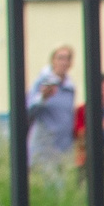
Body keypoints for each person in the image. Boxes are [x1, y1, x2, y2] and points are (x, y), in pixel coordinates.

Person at [27, 46, 76, 182]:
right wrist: (43, 97)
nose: (63, 62)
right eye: (60, 58)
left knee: (64, 183)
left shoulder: (70, 87)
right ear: (53, 61)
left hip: (64, 144)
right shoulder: (42, 82)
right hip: (45, 143)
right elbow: (29, 110)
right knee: (55, 184)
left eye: (67, 59)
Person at [74, 74, 104, 196]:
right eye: (101, 89)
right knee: (86, 171)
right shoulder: (83, 109)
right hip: (89, 144)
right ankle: (84, 194)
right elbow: (79, 131)